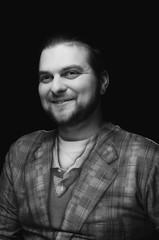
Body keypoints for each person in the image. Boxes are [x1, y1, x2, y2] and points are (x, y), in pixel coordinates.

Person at [0, 31, 158, 240]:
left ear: (102, 81)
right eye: (46, 77)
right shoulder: (22, 151)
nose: (55, 87)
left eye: (70, 73)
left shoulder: (145, 158)